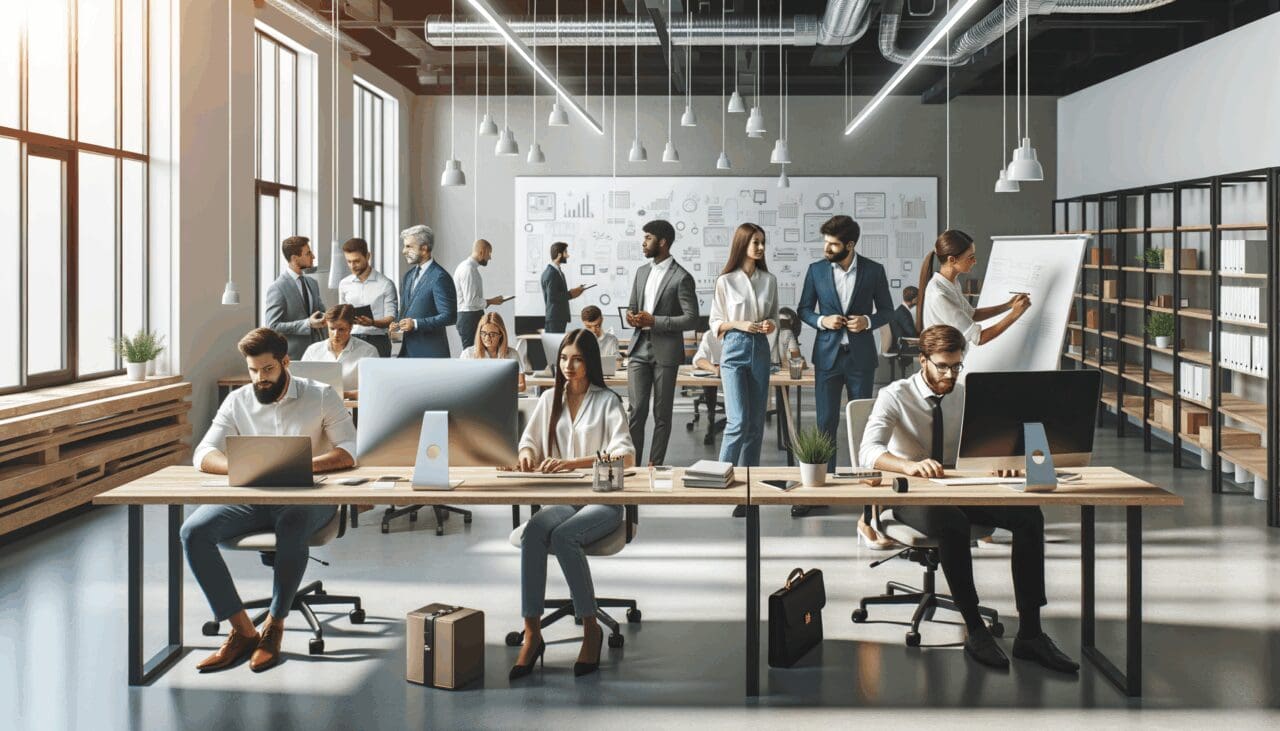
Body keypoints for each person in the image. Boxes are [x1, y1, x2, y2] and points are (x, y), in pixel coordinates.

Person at [858, 324, 1079, 675]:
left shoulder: (966, 393)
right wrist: (910, 466)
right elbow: (868, 451)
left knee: (1028, 516)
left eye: (956, 366)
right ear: (923, 361)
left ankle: (1031, 634)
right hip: (910, 494)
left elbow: (994, 443)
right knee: (951, 522)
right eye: (942, 366)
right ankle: (975, 630)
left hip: (961, 487)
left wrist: (1004, 464)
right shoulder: (895, 395)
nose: (950, 374)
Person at [181, 327, 356, 673]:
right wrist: (245, 468)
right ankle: (243, 631)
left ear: (285, 362)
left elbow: (348, 452)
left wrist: (296, 466)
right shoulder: (238, 400)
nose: (260, 379)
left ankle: (274, 626)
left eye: (267, 370)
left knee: (291, 522)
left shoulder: (320, 396)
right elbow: (203, 453)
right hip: (253, 494)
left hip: (308, 497)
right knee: (193, 532)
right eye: (253, 370)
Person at [507, 329, 635, 680]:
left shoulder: (607, 401)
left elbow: (627, 455)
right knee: (535, 531)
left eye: (577, 359)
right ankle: (532, 632)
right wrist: (528, 456)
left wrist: (573, 463)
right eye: (564, 358)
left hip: (602, 500)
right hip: (563, 498)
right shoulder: (550, 399)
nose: (569, 365)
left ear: (589, 362)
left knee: (564, 537)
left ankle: (590, 627)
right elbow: (528, 442)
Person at [797, 215, 894, 519]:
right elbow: (803, 310)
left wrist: (867, 321)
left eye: (833, 244)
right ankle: (823, 487)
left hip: (861, 357)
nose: (826, 248)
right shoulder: (815, 271)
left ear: (849, 245)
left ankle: (866, 487)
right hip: (827, 357)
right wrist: (821, 321)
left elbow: (888, 311)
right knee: (826, 422)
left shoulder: (874, 271)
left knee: (862, 423)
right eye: (825, 242)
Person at [624, 220, 699, 466]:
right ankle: (632, 466)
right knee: (636, 412)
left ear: (662, 242)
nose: (643, 243)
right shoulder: (641, 272)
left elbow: (691, 318)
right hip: (638, 348)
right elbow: (633, 306)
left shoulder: (682, 277)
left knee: (662, 414)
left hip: (665, 352)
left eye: (648, 238)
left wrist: (655, 320)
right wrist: (632, 316)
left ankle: (654, 466)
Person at [709, 223, 779, 467]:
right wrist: (739, 324)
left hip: (760, 349)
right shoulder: (725, 281)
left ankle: (749, 490)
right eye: (755, 242)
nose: (760, 247)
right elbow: (716, 322)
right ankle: (719, 476)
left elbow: (774, 316)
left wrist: (770, 324)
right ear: (742, 244)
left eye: (763, 242)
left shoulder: (769, 280)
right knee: (738, 421)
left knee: (756, 425)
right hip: (734, 349)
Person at [917, 229, 1031, 345]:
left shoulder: (952, 283)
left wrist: (1009, 305)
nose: (975, 261)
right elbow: (979, 338)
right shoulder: (939, 295)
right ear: (952, 260)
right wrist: (1015, 314)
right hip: (943, 361)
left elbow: (973, 314)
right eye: (970, 257)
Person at [392, 225, 457, 358]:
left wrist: (415, 324)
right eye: (404, 246)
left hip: (430, 353)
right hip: (405, 352)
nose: (404, 251)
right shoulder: (408, 276)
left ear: (424, 248)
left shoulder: (440, 277)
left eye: (409, 246)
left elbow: (450, 316)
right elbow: (405, 309)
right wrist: (397, 324)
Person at [264, 236, 326, 361]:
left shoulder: (312, 283)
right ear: (294, 258)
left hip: (319, 354)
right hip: (294, 356)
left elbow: (320, 311)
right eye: (308, 253)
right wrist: (307, 323)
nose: (313, 256)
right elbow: (272, 325)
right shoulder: (278, 287)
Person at [302, 304, 379, 400]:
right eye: (332, 328)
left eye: (341, 329)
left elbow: (374, 389)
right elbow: (301, 385)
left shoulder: (368, 352)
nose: (336, 334)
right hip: (317, 409)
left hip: (354, 410)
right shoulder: (313, 351)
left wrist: (345, 395)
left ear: (350, 327)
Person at [337, 237, 398, 358]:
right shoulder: (344, 284)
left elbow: (391, 318)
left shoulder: (385, 284)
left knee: (379, 376)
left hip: (378, 341)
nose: (352, 266)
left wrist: (372, 323)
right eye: (349, 261)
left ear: (368, 256)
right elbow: (342, 315)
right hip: (351, 340)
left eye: (356, 261)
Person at [454, 239, 507, 348]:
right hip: (469, 318)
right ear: (482, 251)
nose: (490, 257)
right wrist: (492, 301)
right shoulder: (468, 270)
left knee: (477, 353)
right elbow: (471, 302)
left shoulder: (470, 268)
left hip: (471, 317)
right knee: (471, 355)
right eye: (489, 253)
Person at [460, 311, 527, 392]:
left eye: (492, 334)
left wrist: (501, 389)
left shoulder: (512, 354)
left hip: (502, 397)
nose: (487, 338)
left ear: (501, 334)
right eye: (483, 333)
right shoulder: (468, 354)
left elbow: (522, 385)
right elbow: (460, 384)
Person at [541, 242, 586, 333]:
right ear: (559, 254)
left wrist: (574, 292)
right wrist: (571, 294)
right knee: (555, 345)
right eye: (565, 252)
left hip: (557, 317)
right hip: (555, 318)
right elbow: (553, 297)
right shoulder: (551, 273)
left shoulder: (557, 271)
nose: (568, 256)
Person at [884, 286, 920, 354]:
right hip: (903, 347)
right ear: (915, 299)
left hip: (902, 344)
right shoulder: (903, 313)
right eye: (919, 298)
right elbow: (912, 333)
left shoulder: (902, 310)